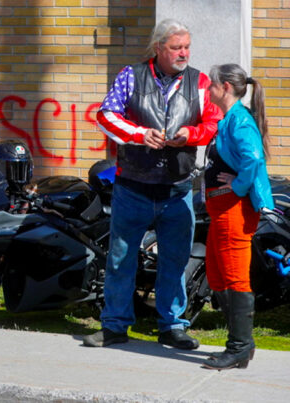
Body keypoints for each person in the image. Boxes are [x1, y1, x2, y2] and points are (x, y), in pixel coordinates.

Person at [84, 19, 222, 349]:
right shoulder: (130, 75)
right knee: (120, 258)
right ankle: (115, 325)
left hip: (177, 189)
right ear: (158, 47)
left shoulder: (199, 81)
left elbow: (213, 122)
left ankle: (172, 326)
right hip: (133, 186)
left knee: (175, 261)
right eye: (176, 47)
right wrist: (139, 134)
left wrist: (192, 134)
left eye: (187, 47)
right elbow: (106, 115)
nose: (183, 53)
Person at [201, 64, 273, 370]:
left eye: (212, 84)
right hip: (220, 210)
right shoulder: (229, 118)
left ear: (226, 87)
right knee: (216, 276)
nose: (208, 89)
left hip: (234, 209)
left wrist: (240, 184)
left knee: (234, 277)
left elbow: (254, 160)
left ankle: (239, 347)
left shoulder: (239, 121)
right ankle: (244, 345)